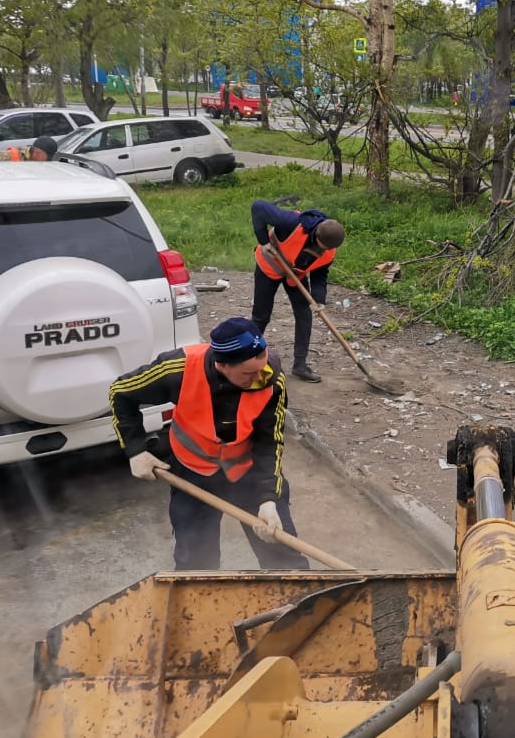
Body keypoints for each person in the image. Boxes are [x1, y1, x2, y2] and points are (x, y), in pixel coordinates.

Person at [108, 317, 308, 570]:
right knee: (195, 562)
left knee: (283, 555)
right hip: (192, 473)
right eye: (249, 373)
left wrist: (267, 499)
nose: (260, 376)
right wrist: (135, 450)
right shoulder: (177, 368)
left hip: (248, 472)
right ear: (221, 364)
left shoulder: (271, 379)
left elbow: (270, 442)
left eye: (263, 363)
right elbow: (121, 392)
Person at [250, 200, 346, 383]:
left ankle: (300, 365)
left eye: (328, 248)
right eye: (321, 245)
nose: (323, 250)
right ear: (316, 233)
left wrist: (319, 301)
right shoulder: (292, 222)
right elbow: (258, 207)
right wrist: (263, 241)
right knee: (261, 316)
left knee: (304, 314)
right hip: (269, 267)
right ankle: (246, 358)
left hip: (294, 275)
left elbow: (320, 275)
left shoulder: (328, 250)